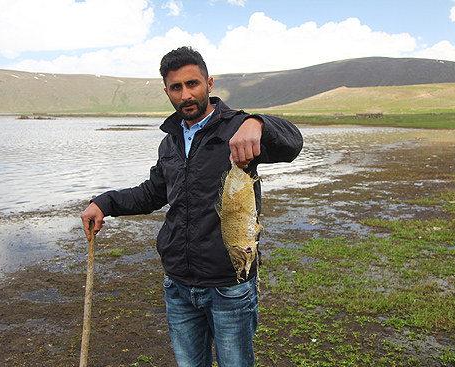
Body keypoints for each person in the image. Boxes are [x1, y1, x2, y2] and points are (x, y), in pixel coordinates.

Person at [81, 46, 303, 367]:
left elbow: (293, 142)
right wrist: (103, 203)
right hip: (178, 286)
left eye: (193, 84)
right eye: (176, 87)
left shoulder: (237, 129)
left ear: (209, 83)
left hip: (229, 286)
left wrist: (258, 123)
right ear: (167, 91)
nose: (186, 94)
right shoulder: (170, 141)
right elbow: (152, 193)